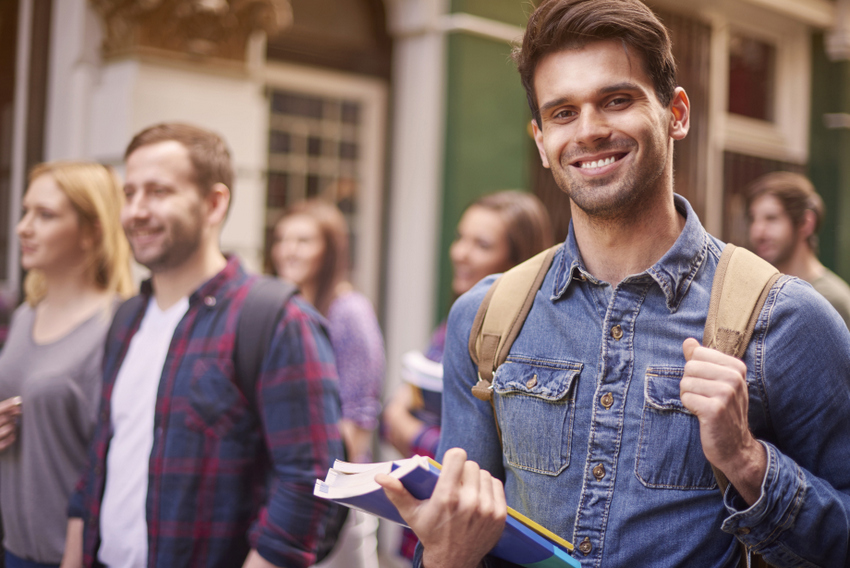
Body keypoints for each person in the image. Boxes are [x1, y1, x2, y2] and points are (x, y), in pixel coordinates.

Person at [376, 1, 850, 567]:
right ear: (540, 140)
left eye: (617, 100)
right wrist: (442, 554)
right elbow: (463, 537)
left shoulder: (788, 320)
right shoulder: (485, 320)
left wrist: (748, 460)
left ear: (676, 113)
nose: (590, 130)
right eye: (563, 113)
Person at [64, 123, 345, 568]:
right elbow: (98, 460)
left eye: (157, 192)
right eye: (129, 193)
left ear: (214, 203)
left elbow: (308, 485)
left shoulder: (276, 321)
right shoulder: (125, 319)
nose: (136, 211)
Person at [381, 190, 553, 560]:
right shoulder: (455, 323)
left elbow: (487, 464)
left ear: (518, 257)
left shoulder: (524, 339)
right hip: (424, 536)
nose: (460, 252)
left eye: (481, 244)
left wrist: (410, 432)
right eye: (461, 237)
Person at [0, 162, 132, 568]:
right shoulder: (25, 316)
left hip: (73, 557)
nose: (24, 227)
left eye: (45, 215)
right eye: (26, 212)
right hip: (14, 549)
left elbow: (114, 458)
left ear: (92, 231)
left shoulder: (116, 327)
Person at [271, 199, 385, 568]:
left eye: (303, 240)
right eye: (282, 239)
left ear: (329, 250)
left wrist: (328, 486)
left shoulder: (349, 311)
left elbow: (358, 416)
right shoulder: (282, 311)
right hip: (290, 485)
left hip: (338, 496)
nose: (289, 250)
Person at [746, 171, 850, 327]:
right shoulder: (762, 292)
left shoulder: (832, 300)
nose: (757, 232)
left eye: (772, 218)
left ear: (806, 223)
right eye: (753, 219)